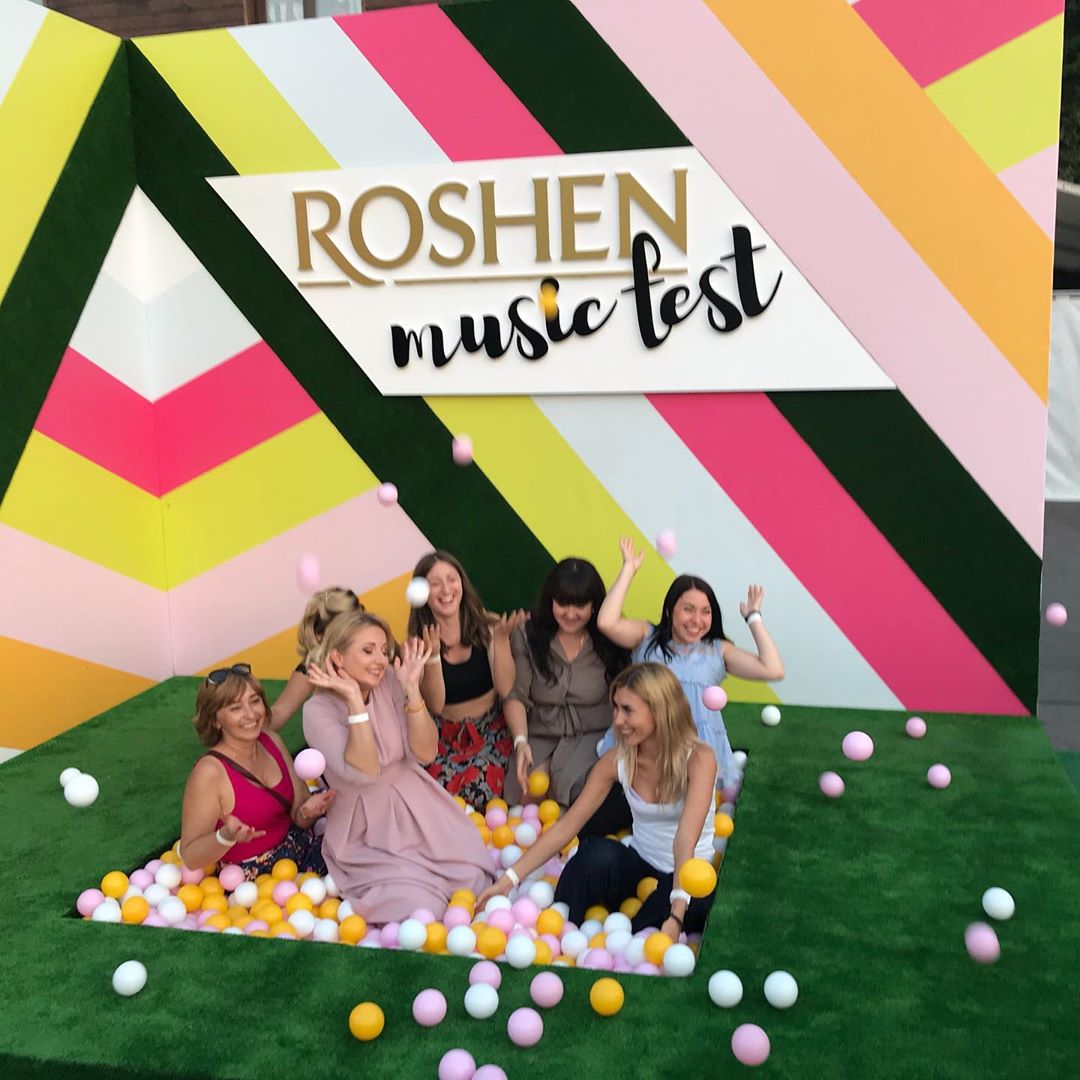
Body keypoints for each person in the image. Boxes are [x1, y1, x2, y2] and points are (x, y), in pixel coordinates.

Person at [477, 662, 717, 939]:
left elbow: (685, 841)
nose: (617, 720)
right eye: (616, 708)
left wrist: (676, 915)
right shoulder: (617, 761)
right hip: (640, 864)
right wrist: (508, 880)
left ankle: (643, 929)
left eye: (628, 710)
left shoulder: (699, 759)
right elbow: (567, 826)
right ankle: (562, 932)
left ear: (659, 711)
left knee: (657, 927)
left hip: (686, 873)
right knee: (593, 855)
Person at [302, 609, 494, 922]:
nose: (380, 660)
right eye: (368, 651)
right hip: (367, 830)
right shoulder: (316, 710)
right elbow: (364, 772)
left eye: (383, 650)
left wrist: (412, 689)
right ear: (337, 656)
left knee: (474, 882)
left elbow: (426, 752)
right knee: (422, 909)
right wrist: (354, 699)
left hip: (418, 805)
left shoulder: (389, 681)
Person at [597, 538, 784, 790]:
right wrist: (628, 569)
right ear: (670, 610)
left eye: (705, 611)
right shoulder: (646, 637)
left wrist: (753, 617)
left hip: (693, 756)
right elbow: (606, 623)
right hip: (643, 749)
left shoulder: (717, 650)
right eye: (688, 609)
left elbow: (773, 670)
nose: (697, 619)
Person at [179, 664, 333, 879]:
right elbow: (190, 856)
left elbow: (299, 816)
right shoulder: (209, 772)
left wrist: (309, 811)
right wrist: (226, 836)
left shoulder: (271, 741)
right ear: (215, 720)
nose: (250, 714)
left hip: (298, 851)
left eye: (254, 701)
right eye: (235, 708)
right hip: (255, 880)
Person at [502, 558, 630, 808]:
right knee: (526, 794)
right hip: (540, 733)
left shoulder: (610, 639)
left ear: (594, 605)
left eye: (580, 605)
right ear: (551, 601)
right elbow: (516, 694)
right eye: (562, 604)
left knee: (578, 798)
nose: (571, 614)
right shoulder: (527, 635)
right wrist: (520, 741)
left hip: (592, 737)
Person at [408, 550, 526, 809]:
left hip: (492, 731)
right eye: (434, 583)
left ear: (462, 583)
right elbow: (435, 705)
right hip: (446, 737)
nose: (446, 590)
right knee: (439, 802)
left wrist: (501, 640)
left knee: (483, 791)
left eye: (452, 579)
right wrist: (433, 656)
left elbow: (506, 688)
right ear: (423, 593)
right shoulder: (419, 643)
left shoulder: (489, 625)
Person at [268, 586, 364, 729]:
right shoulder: (313, 666)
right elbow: (278, 715)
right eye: (345, 629)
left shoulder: (379, 646)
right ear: (321, 634)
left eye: (358, 624)